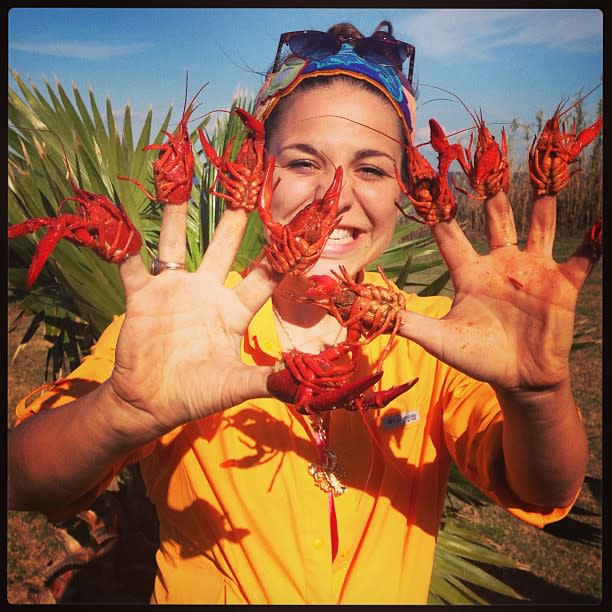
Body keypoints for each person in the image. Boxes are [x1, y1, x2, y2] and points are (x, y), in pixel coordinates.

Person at [8, 20, 597, 604]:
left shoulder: (444, 335)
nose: (334, 194)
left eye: (371, 168)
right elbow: (23, 477)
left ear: (406, 191)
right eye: (302, 162)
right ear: (260, 177)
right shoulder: (172, 332)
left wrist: (538, 393)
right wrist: (119, 411)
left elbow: (544, 487)